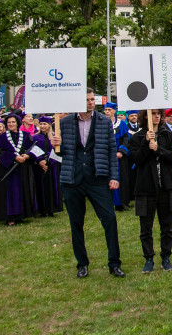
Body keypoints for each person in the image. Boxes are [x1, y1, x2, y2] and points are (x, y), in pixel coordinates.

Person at [51, 88, 125, 278]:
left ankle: (114, 263)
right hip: (73, 179)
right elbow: (61, 153)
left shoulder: (103, 121)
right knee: (76, 223)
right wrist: (56, 145)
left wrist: (114, 176)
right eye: (87, 99)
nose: (91, 102)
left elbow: (111, 150)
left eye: (92, 99)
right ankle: (82, 264)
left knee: (109, 219)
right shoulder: (65, 123)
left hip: (97, 178)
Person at [128, 109, 172, 273]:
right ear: (145, 116)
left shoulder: (167, 135)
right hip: (145, 188)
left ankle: (166, 256)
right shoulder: (137, 137)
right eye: (153, 113)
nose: (156, 116)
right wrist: (145, 144)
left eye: (159, 114)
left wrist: (158, 149)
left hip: (166, 186)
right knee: (146, 228)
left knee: (167, 226)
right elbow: (135, 159)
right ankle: (148, 258)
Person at [0, 113, 37, 225]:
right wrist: (14, 157)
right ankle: (10, 217)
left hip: (22, 169)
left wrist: (27, 156)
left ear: (17, 123)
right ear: (6, 124)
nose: (11, 124)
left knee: (22, 190)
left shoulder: (26, 135)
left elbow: (34, 148)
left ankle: (21, 215)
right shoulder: (1, 138)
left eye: (13, 122)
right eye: (9, 122)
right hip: (8, 169)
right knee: (9, 193)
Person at [32, 116, 63, 216]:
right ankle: (42, 209)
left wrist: (49, 159)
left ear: (49, 125)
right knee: (41, 186)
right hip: (39, 165)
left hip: (51, 164)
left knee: (51, 185)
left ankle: (51, 208)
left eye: (45, 124)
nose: (42, 126)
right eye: (41, 124)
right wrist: (40, 160)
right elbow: (33, 150)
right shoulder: (35, 137)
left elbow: (58, 151)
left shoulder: (54, 137)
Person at [103, 102, 131, 211]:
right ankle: (108, 202)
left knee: (121, 178)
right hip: (106, 156)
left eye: (109, 110)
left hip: (119, 156)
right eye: (106, 110)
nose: (107, 112)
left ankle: (121, 202)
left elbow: (126, 138)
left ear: (114, 111)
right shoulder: (101, 123)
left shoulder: (122, 124)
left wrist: (121, 151)